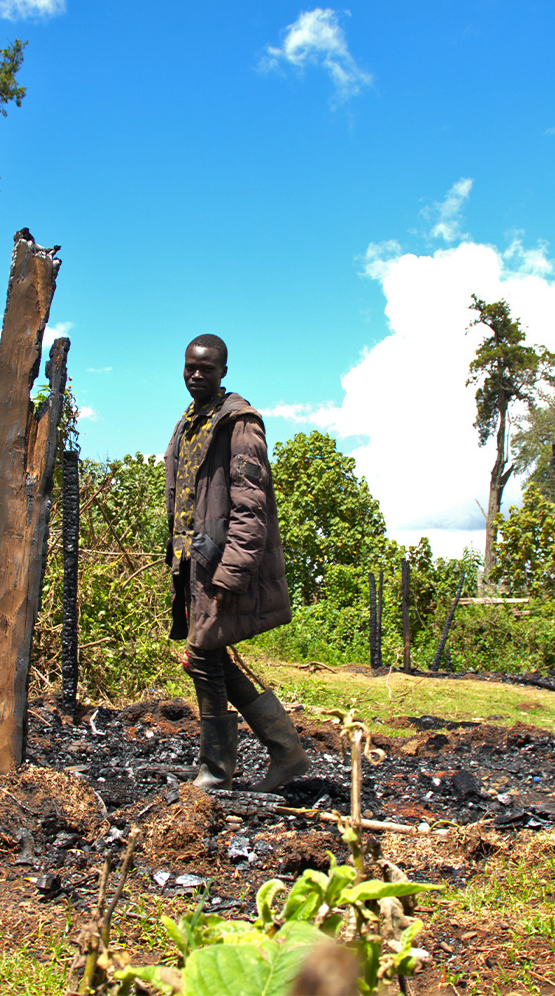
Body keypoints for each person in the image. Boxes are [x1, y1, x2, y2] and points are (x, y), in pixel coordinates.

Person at [165, 333, 311, 791]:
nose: (195, 375)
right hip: (192, 566)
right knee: (208, 656)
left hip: (220, 566)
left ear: (223, 371)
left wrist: (233, 572)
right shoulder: (188, 423)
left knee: (205, 656)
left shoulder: (240, 424)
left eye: (206, 369)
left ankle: (218, 770)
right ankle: (285, 751)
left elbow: (252, 509)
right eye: (190, 366)